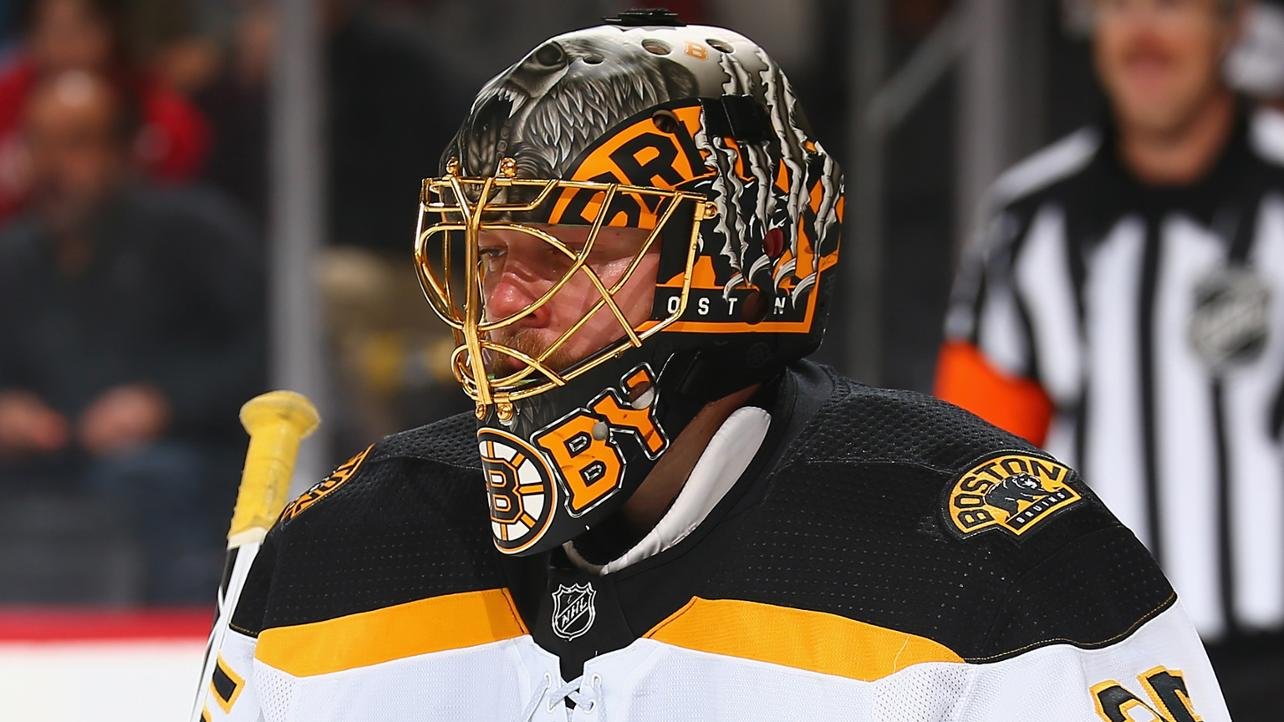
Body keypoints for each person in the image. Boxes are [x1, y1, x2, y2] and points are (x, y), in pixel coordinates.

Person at [202, 11, 1229, 721]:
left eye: (568, 250)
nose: (505, 304)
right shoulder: (327, 558)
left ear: (742, 258)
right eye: (487, 252)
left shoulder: (992, 559)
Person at [936, 0, 1284, 718]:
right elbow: (973, 466)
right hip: (1109, 671)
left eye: (1170, 3)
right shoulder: (1029, 218)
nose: (1143, 33)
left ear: (1233, 24)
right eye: (1120, 4)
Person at [0, 70, 263, 603]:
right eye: (40, 143)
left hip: (187, 465)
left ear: (124, 153)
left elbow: (268, 351)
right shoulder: (12, 256)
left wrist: (165, 405)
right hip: (44, 473)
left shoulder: (196, 234)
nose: (53, 166)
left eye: (76, 144)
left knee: (146, 477)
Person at [0, 0, 210, 221]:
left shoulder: (151, 103)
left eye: (81, 26)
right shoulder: (9, 97)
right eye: (49, 28)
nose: (65, 43)